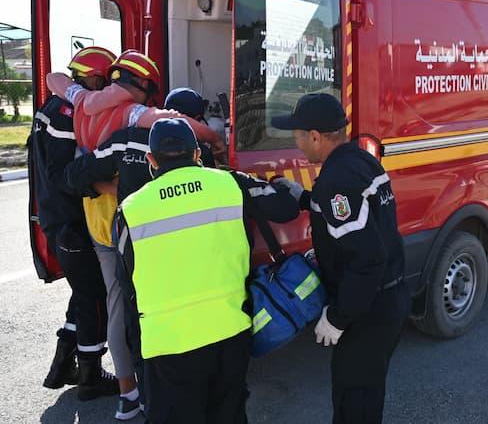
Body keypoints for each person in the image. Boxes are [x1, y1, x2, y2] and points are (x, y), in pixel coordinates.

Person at [46, 50, 223, 419]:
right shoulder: (133, 117)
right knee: (149, 305)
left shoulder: (81, 104)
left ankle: (128, 393)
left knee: (116, 304)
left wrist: (107, 186)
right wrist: (215, 139)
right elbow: (178, 123)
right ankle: (155, 384)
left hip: (97, 222)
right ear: (141, 87)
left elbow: (55, 81)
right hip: (131, 223)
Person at [114, 118, 299, 424]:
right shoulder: (232, 184)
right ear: (197, 154)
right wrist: (281, 184)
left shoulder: (131, 209)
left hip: (168, 343)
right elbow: (285, 208)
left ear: (151, 160)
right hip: (230, 330)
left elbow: (126, 284)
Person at [271, 93, 410, 424]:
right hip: (387, 298)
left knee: (355, 400)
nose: (298, 144)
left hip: (368, 309)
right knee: (365, 393)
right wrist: (305, 198)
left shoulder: (337, 181)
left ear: (316, 137)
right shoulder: (359, 161)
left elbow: (368, 260)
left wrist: (338, 317)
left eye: (298, 136)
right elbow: (358, 218)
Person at [30, 46, 119, 400]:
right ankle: (91, 376)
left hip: (58, 215)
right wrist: (103, 184)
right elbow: (62, 173)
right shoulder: (67, 113)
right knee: (93, 294)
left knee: (82, 291)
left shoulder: (52, 106)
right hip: (68, 218)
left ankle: (63, 365)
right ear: (94, 77)